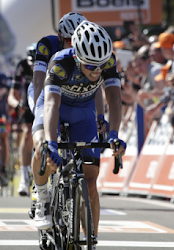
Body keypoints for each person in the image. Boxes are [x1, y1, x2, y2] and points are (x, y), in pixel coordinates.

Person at [32, 21, 126, 246]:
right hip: (57, 106)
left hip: (84, 112)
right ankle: (43, 199)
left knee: (91, 180)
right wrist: (51, 143)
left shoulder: (108, 61)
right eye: (90, 66)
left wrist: (113, 133)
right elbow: (51, 105)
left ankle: (92, 239)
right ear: (77, 58)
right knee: (41, 147)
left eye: (100, 66)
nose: (96, 71)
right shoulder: (60, 63)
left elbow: (114, 98)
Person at [7, 43, 36, 196]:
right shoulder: (22, 65)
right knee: (27, 134)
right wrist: (17, 105)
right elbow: (11, 95)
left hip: (44, 101)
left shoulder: (50, 63)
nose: (33, 68)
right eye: (32, 64)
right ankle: (24, 179)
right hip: (27, 103)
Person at [0, 74, 12, 187]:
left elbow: (13, 93)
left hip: (2, 116)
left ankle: (3, 168)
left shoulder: (4, 78)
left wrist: (9, 113)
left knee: (3, 137)